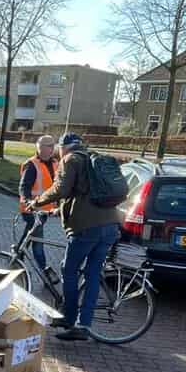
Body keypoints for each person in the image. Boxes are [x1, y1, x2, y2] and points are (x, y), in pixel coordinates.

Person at [29, 133, 122, 342]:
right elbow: (83, 194)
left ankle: (68, 316)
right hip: (110, 226)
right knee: (92, 274)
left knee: (68, 269)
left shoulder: (70, 160)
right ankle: (84, 324)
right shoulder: (92, 159)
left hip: (87, 228)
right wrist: (58, 211)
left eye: (58, 148)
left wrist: (37, 202)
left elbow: (61, 189)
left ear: (64, 148)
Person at [18, 135, 58, 270]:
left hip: (45, 210)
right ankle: (44, 270)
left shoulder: (55, 163)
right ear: (40, 147)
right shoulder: (32, 165)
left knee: (30, 234)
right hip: (31, 210)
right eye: (49, 145)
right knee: (37, 241)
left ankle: (17, 256)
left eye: (53, 145)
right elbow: (24, 187)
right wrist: (27, 201)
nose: (52, 148)